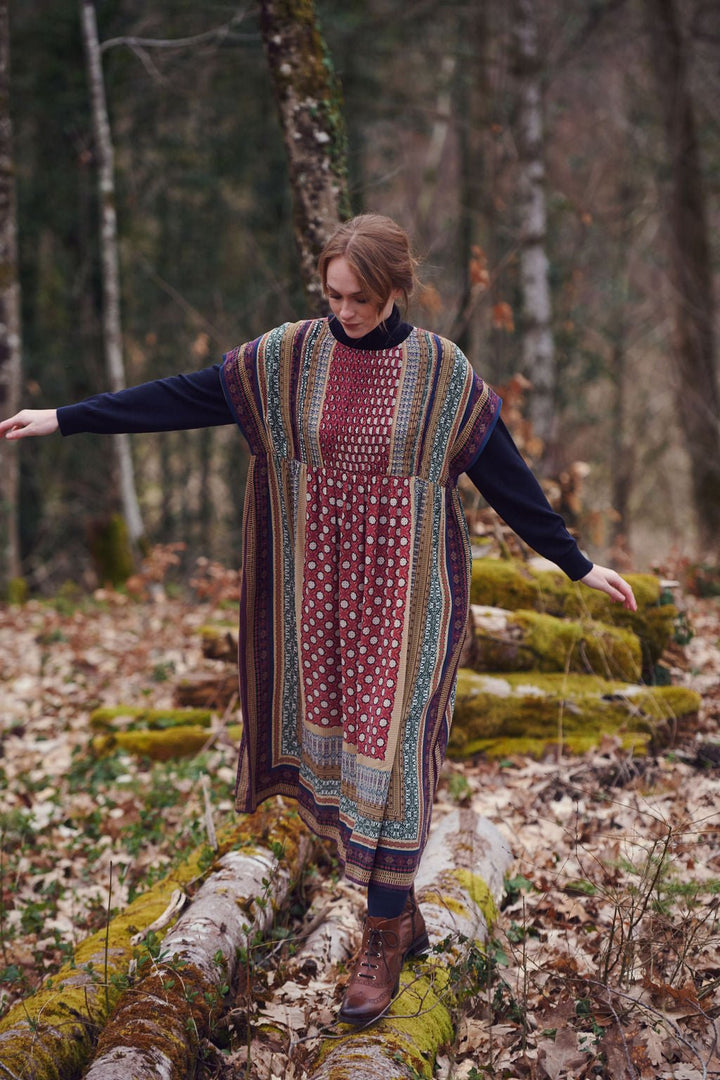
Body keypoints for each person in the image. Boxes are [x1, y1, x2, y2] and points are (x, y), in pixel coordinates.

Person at [0, 213, 636, 1025]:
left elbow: (507, 476)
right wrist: (67, 417)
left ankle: (378, 941)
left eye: (361, 298)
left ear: (396, 288)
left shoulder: (441, 373)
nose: (345, 310)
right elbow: (187, 395)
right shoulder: (291, 356)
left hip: (412, 602)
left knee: (398, 755)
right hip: (322, 598)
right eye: (334, 294)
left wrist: (578, 562)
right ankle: (400, 915)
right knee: (343, 761)